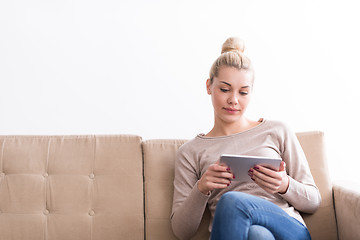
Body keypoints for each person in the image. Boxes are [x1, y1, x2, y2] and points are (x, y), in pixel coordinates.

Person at [170, 37, 321, 240]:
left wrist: (285, 184)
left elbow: (313, 201)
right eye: (225, 89)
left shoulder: (276, 130)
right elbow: (181, 231)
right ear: (208, 86)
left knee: (232, 201)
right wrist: (201, 188)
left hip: (288, 230)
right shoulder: (190, 152)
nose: (233, 100)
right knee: (257, 235)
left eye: (243, 92)